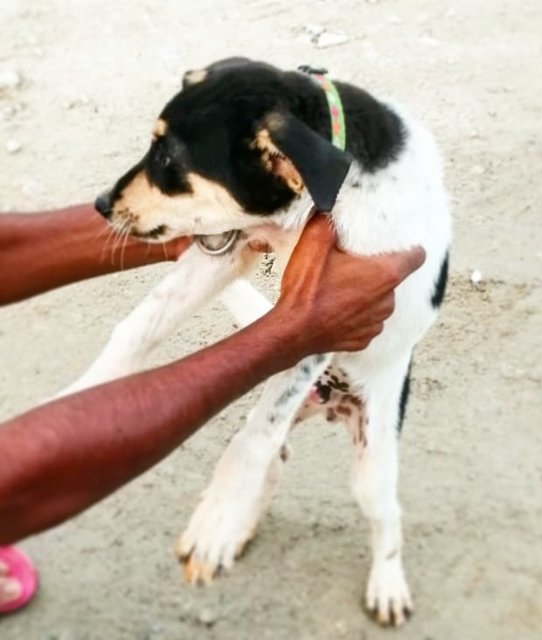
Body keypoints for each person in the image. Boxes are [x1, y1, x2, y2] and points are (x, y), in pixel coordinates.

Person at [0, 203, 425, 613]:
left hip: (368, 379)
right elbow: (16, 480)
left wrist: (191, 215)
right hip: (315, 362)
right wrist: (294, 329)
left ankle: (388, 556)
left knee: (375, 491)